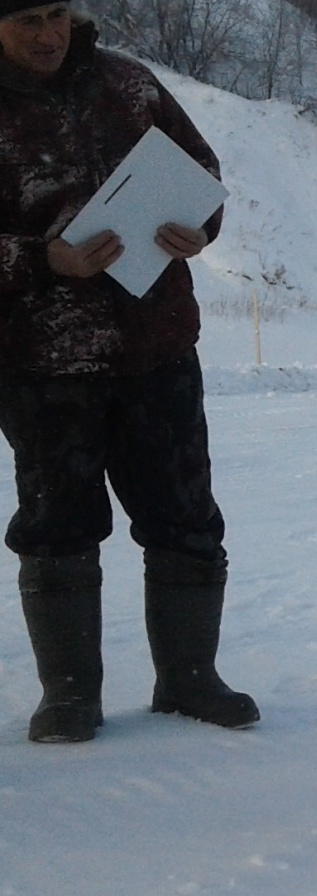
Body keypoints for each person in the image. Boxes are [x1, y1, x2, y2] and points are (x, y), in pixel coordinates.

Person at [0, 2, 256, 744]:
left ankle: (190, 680)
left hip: (157, 345)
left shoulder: (131, 85)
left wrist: (196, 226)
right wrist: (40, 259)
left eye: (56, 13)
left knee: (186, 517)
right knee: (57, 527)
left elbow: (202, 173)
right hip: (40, 361)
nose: (49, 34)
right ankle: (70, 695)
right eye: (27, 21)